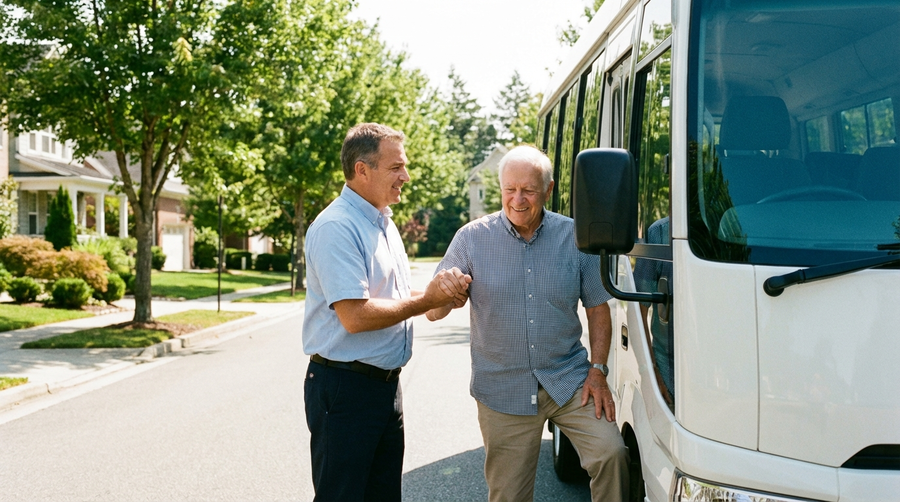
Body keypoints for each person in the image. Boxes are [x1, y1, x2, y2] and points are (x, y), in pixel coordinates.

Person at [427, 145, 629, 501]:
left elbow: (599, 308)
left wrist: (598, 370)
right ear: (501, 189)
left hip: (568, 382)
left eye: (528, 191)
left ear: (548, 190)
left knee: (612, 453)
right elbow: (434, 311)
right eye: (510, 189)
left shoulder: (575, 238)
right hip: (503, 390)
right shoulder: (471, 239)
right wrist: (445, 293)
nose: (517, 199)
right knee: (509, 495)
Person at [303, 122, 471, 502]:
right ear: (362, 170)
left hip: (382, 389)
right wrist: (426, 300)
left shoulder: (382, 222)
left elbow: (393, 296)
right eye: (396, 167)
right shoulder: (337, 227)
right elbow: (356, 315)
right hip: (345, 390)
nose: (405, 177)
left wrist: (442, 297)